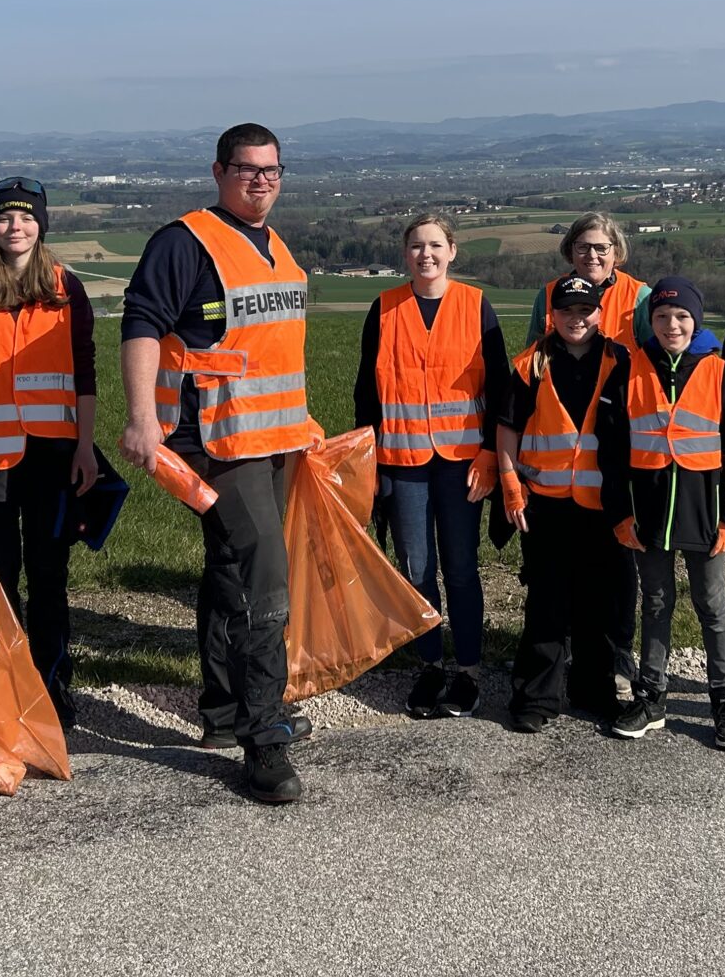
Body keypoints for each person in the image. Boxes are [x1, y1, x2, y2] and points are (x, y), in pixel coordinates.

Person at [119, 123, 320, 804]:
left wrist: (300, 426)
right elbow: (142, 323)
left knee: (230, 569)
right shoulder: (185, 242)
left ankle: (225, 710)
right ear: (218, 171)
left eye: (271, 169)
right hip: (216, 442)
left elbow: (271, 353)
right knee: (265, 577)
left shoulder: (274, 245)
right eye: (246, 168)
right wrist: (142, 417)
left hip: (272, 440)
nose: (260, 180)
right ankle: (264, 737)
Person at [0, 175, 98, 729]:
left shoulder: (66, 288)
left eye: (27, 217)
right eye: (6, 217)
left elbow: (84, 371)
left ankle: (53, 688)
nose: (16, 226)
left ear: (41, 225)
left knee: (50, 578)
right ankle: (4, 690)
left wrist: (86, 448)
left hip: (54, 459)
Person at [353, 212, 513, 720]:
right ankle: (429, 665)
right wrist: (368, 463)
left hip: (463, 462)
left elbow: (500, 386)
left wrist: (489, 454)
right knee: (416, 569)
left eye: (435, 245)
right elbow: (366, 392)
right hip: (402, 462)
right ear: (406, 255)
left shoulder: (475, 304)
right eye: (417, 246)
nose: (426, 254)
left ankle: (467, 671)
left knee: (461, 568)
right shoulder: (383, 308)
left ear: (452, 251)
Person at [605, 276, 725, 750]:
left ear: (697, 321)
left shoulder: (719, 372)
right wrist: (620, 513)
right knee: (655, 602)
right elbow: (611, 453)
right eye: (662, 316)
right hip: (647, 515)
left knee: (712, 606)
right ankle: (651, 696)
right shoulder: (628, 371)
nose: (672, 325)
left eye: (682, 317)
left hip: (704, 515)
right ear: (650, 321)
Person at [497, 275, 633, 732]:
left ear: (599, 313)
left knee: (598, 602)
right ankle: (536, 697)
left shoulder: (621, 361)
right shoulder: (531, 364)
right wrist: (510, 484)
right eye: (566, 311)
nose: (576, 319)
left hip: (602, 505)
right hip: (545, 505)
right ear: (551, 316)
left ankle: (593, 690)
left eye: (584, 310)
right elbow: (508, 427)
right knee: (546, 602)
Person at [527, 212, 654, 348]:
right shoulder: (548, 296)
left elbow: (658, 357)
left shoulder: (640, 298)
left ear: (616, 252)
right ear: (571, 251)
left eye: (601, 248)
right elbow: (532, 357)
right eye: (583, 247)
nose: (592, 255)